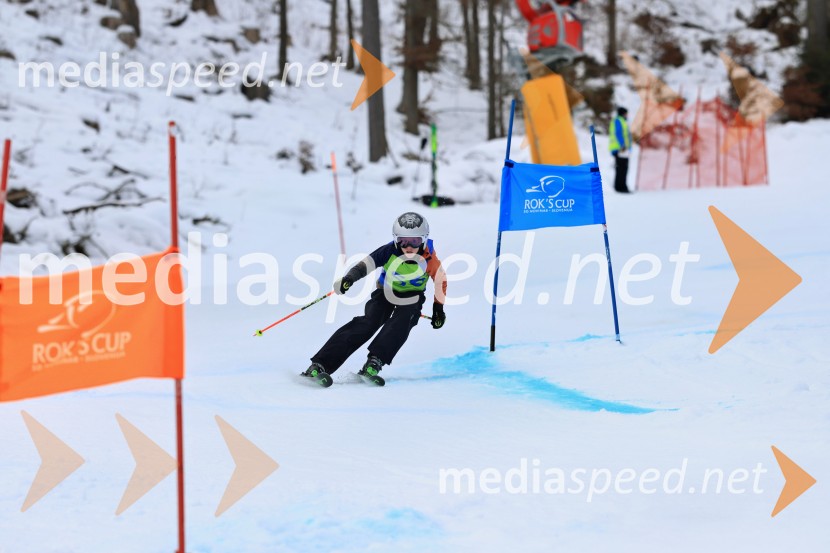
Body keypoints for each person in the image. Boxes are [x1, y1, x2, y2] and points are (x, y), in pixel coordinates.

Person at [302, 212, 447, 382]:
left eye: (414, 241)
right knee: (368, 322)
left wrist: (438, 309)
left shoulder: (430, 259)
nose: (408, 247)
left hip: (412, 297)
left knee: (403, 319)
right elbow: (366, 264)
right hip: (385, 292)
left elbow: (441, 282)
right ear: (396, 240)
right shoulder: (389, 251)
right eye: (403, 241)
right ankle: (320, 364)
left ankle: (375, 361)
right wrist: (349, 279)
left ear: (424, 240)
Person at [608, 106, 632, 193]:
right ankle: (620, 187)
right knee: (622, 168)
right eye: (626, 113)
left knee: (622, 168)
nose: (627, 115)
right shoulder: (618, 120)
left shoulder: (620, 121)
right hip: (620, 149)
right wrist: (623, 145)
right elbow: (618, 133)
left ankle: (621, 186)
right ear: (623, 113)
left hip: (621, 148)